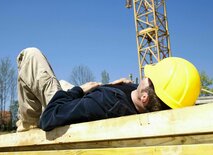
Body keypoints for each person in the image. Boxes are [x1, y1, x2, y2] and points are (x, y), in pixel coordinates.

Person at [16, 47, 201, 132]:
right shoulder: (152, 103)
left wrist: (80, 89)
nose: (142, 78)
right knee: (62, 82)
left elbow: (50, 117)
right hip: (90, 98)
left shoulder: (103, 105)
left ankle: (26, 127)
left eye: (147, 78)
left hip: (69, 105)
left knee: (30, 57)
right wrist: (112, 86)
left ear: (144, 97)